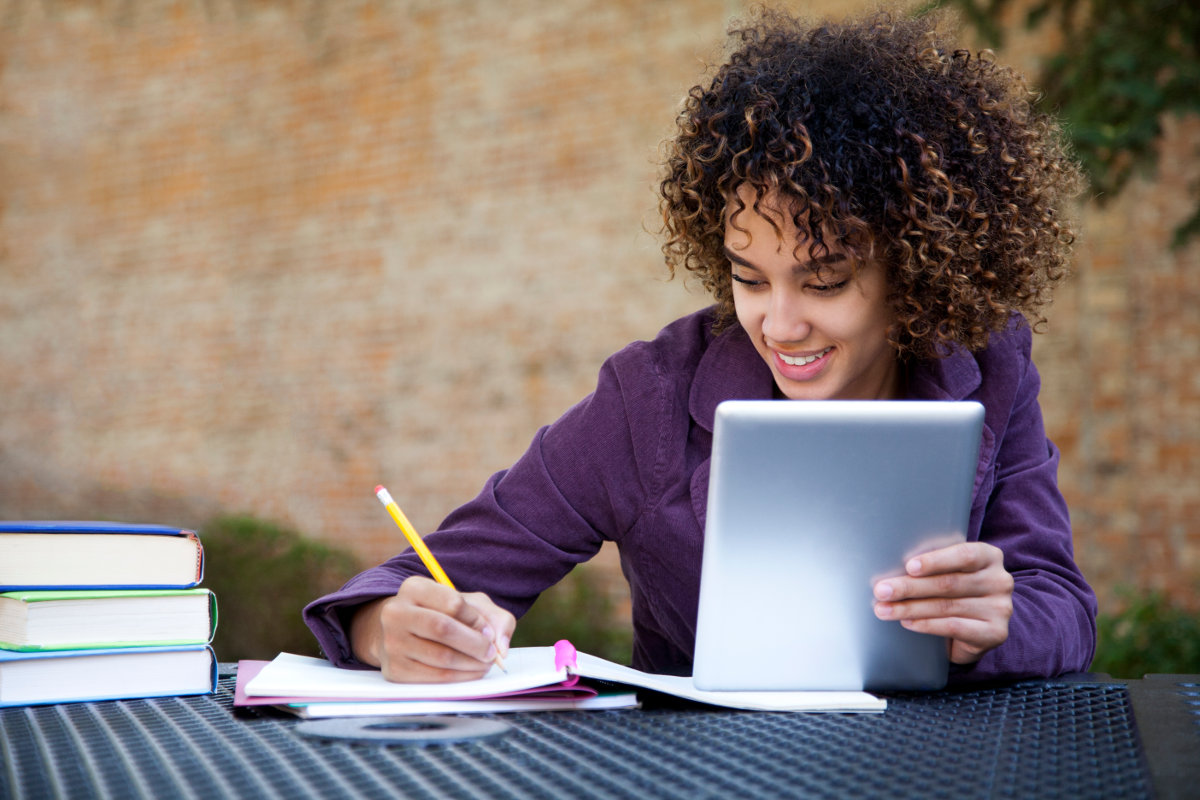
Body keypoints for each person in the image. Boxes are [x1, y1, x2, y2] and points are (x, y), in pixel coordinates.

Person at [303, 8, 1097, 685]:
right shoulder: (648, 399)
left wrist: (994, 624)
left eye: (823, 282)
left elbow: (1061, 607)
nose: (779, 325)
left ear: (916, 271)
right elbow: (415, 581)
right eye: (750, 278)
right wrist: (388, 629)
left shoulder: (991, 366)